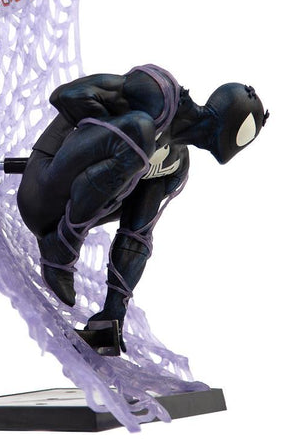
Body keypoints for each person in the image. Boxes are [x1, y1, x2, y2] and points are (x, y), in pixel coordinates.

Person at [17, 64, 268, 349]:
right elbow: (66, 95)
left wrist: (113, 314)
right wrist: (107, 135)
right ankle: (61, 247)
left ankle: (109, 318)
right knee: (140, 131)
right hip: (41, 186)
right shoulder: (157, 93)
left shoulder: (174, 164)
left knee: (145, 171)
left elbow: (136, 235)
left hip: (58, 217)